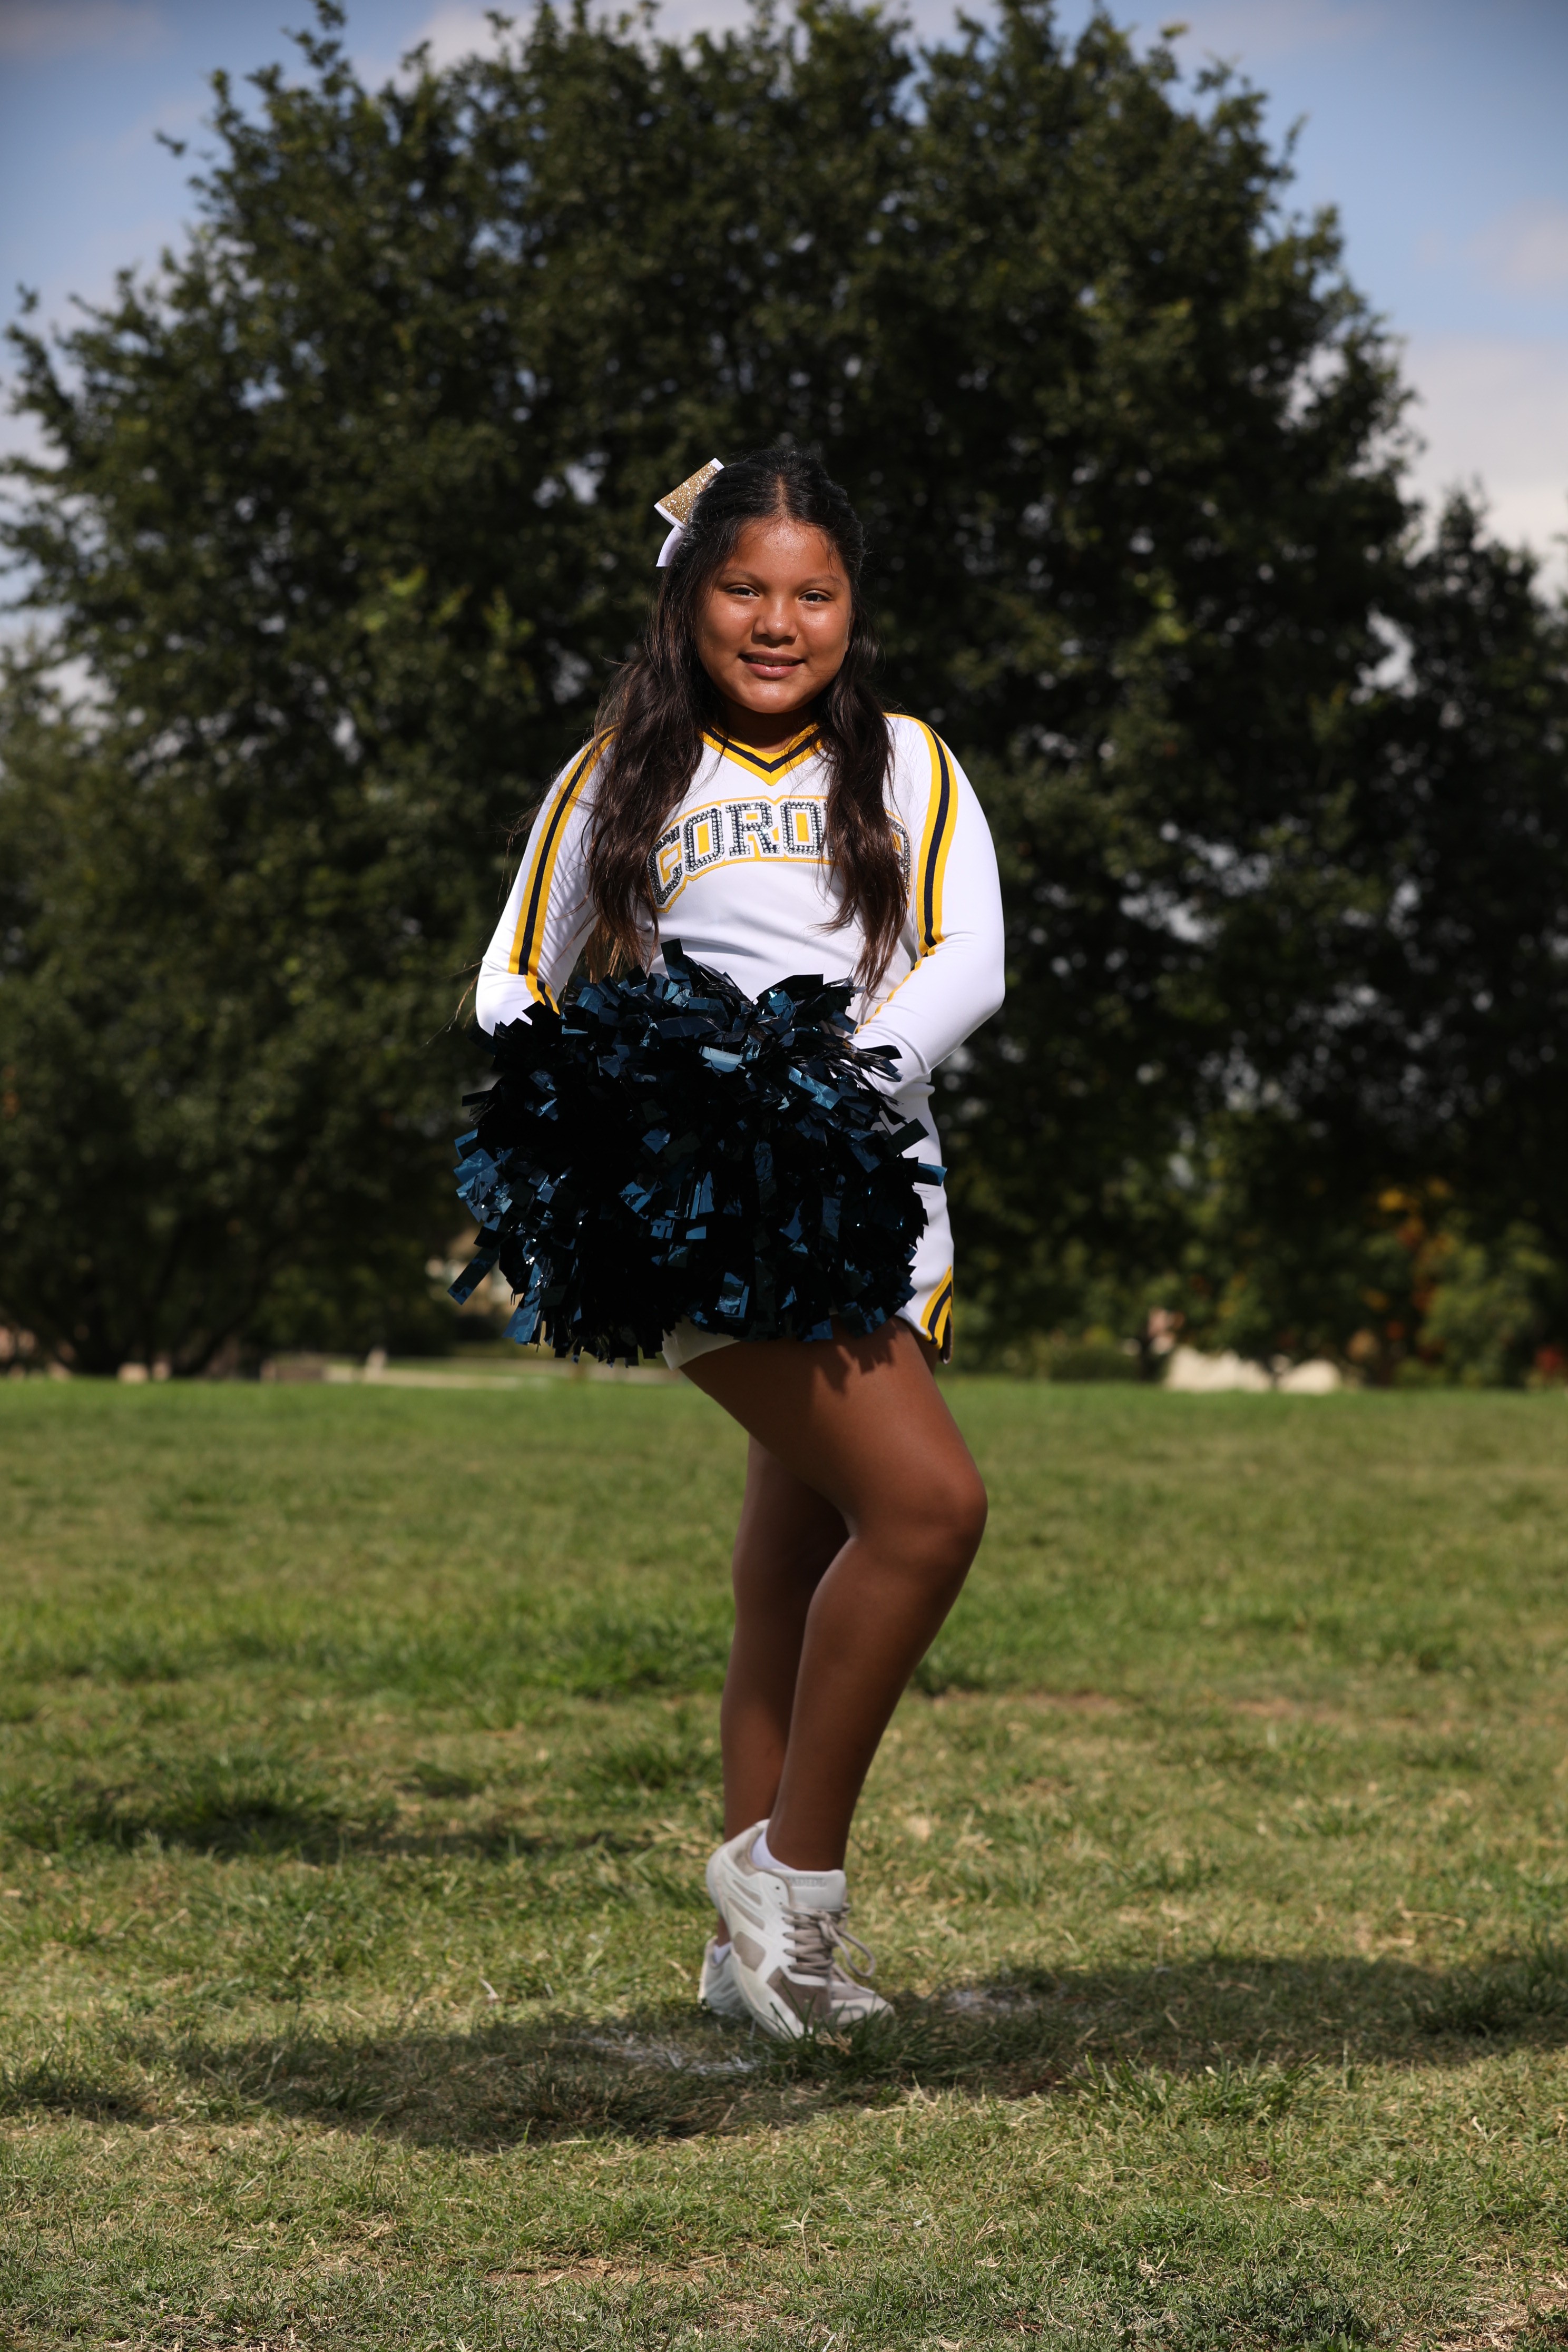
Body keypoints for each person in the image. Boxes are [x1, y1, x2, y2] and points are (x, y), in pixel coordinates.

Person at [475, 448, 1005, 2039]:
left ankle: (742, 1961)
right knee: (928, 1511)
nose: (779, 623)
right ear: (689, 600)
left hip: (878, 1192)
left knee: (792, 1558)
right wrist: (638, 1104)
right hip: (713, 1216)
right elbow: (514, 977)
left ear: (853, 605)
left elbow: (970, 956)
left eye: (813, 593)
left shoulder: (905, 761)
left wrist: (840, 1086)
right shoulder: (619, 771)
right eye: (744, 589)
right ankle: (793, 1889)